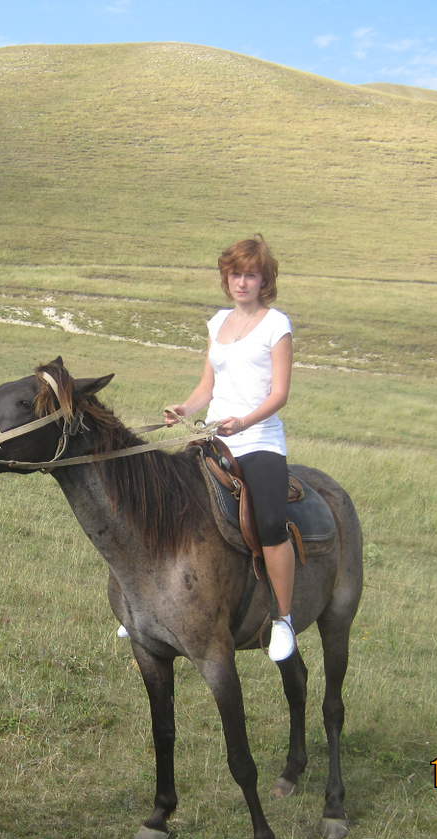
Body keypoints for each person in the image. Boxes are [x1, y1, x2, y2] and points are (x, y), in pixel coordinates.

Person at [166, 234, 298, 661]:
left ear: (265, 280)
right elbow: (209, 385)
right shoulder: (217, 322)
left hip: (259, 440)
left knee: (272, 523)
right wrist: (184, 407)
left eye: (251, 275)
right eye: (235, 274)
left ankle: (284, 620)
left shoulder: (277, 325)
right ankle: (153, 603)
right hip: (213, 437)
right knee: (167, 498)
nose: (241, 283)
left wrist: (244, 421)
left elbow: (279, 394)